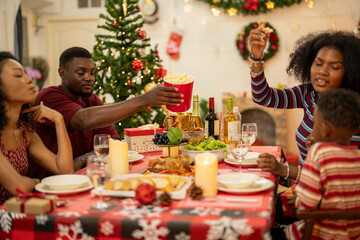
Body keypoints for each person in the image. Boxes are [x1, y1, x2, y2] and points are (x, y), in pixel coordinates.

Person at [29, 46, 183, 178]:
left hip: (82, 177)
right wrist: (144, 100)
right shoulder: (49, 97)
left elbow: (112, 143)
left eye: (92, 72)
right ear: (62, 73)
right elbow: (83, 120)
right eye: (81, 73)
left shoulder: (91, 100)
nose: (89, 78)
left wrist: (83, 158)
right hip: (50, 183)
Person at [248, 30, 360, 181]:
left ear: (350, 71)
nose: (322, 71)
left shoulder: (354, 110)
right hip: (304, 190)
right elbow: (263, 97)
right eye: (318, 63)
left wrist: (283, 170)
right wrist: (257, 59)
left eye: (334, 67)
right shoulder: (308, 94)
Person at [285, 89, 360, 240]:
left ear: (324, 129)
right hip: (353, 235)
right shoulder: (357, 155)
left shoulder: (319, 153)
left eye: (314, 124)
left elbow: (305, 204)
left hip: (319, 234)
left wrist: (298, 198)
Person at [0, 51, 73, 204]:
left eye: (26, 74)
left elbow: (65, 170)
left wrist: (58, 119)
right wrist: (34, 182)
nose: (28, 80)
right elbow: (19, 187)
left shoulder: (25, 133)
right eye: (18, 75)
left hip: (15, 217)